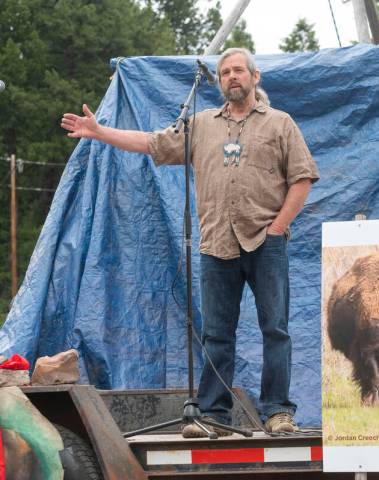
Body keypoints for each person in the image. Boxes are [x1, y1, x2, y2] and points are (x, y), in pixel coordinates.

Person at [61, 48, 319, 436]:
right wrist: (100, 132)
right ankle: (214, 415)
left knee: (275, 330)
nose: (232, 76)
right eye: (225, 72)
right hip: (217, 245)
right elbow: (151, 142)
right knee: (217, 334)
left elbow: (302, 178)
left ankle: (278, 413)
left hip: (267, 243)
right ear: (219, 81)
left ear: (255, 77)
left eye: (238, 70)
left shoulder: (280, 124)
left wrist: (279, 227)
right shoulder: (200, 125)